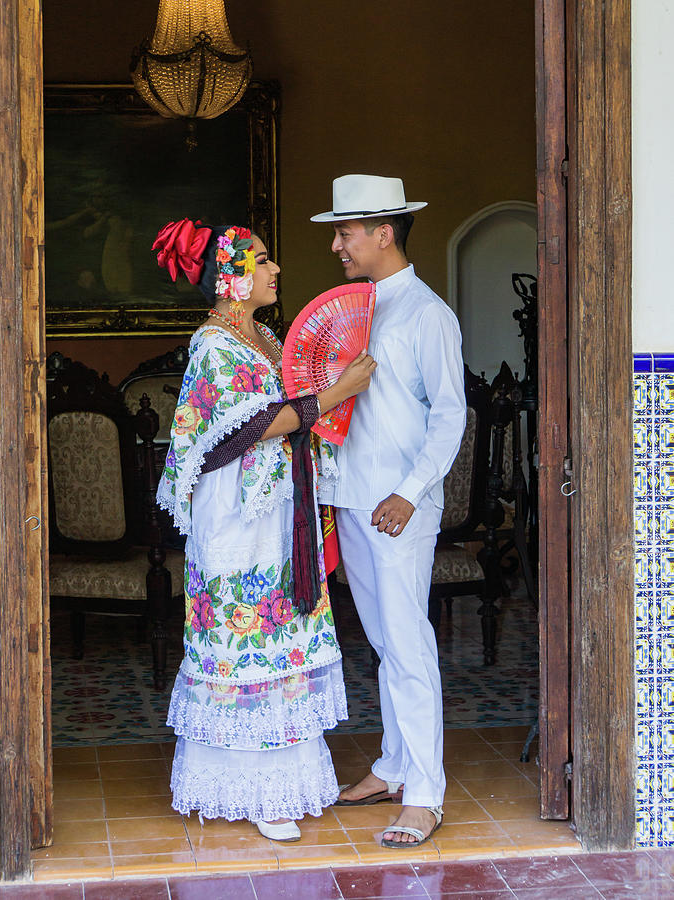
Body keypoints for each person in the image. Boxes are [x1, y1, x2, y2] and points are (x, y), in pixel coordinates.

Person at [154, 218, 376, 842]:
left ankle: (282, 780)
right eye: (262, 261)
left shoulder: (266, 339)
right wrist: (334, 394)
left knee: (283, 635)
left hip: (277, 510)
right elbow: (234, 432)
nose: (275, 270)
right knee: (244, 633)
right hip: (235, 516)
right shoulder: (214, 346)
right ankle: (249, 787)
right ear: (232, 276)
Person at [310, 175, 467, 848]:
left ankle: (425, 793)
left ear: (383, 233)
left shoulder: (427, 313)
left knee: (407, 643)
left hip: (401, 505)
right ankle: (395, 765)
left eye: (345, 232)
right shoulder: (358, 309)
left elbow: (451, 413)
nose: (337, 244)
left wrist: (411, 491)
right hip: (351, 499)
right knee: (382, 642)